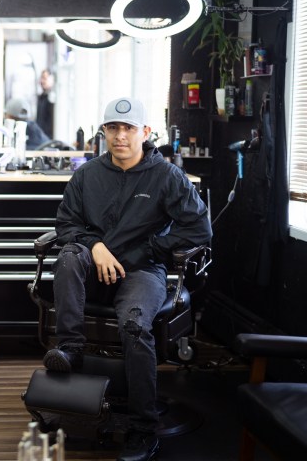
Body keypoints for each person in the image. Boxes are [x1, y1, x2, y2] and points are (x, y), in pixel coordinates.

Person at [42, 97, 212, 461]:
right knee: (71, 256)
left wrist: (151, 248)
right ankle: (70, 349)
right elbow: (67, 224)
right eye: (112, 128)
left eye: (128, 128)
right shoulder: (87, 174)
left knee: (134, 326)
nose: (120, 136)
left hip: (142, 270)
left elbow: (199, 228)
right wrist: (96, 246)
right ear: (103, 132)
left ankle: (142, 428)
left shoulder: (167, 176)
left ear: (145, 132)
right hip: (92, 264)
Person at [36, 68, 55, 139]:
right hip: (41, 137)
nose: (42, 81)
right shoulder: (41, 97)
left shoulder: (53, 98)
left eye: (45, 78)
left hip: (49, 139)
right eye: (41, 78)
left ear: (52, 79)